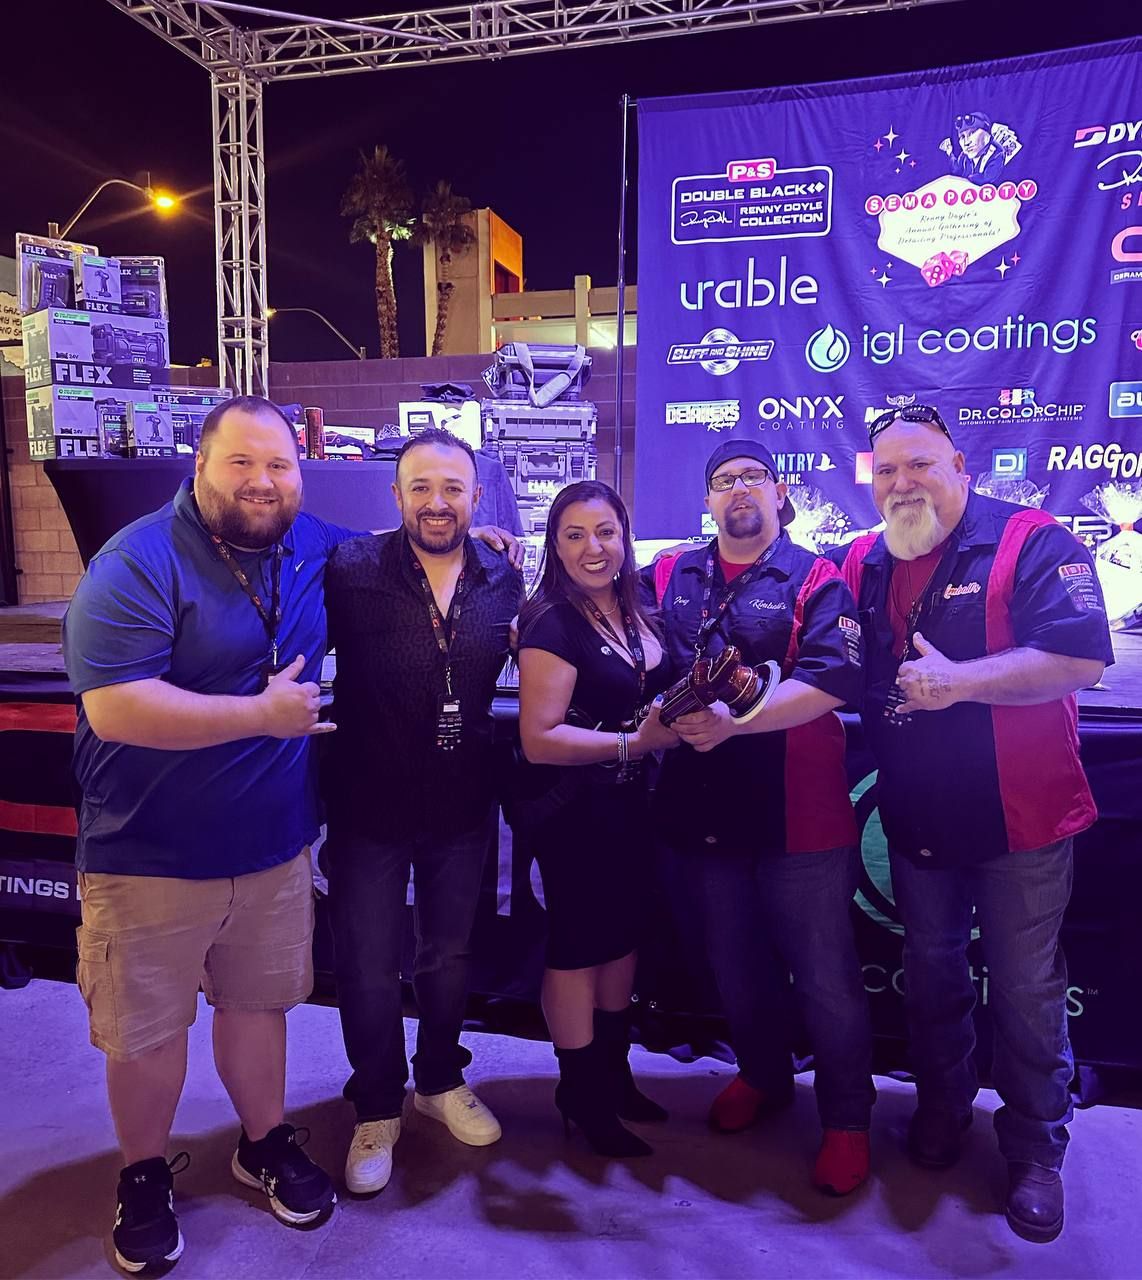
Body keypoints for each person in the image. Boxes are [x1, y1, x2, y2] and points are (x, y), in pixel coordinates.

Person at [63, 396, 350, 1273]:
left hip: (271, 847)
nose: (263, 482)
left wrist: (475, 544)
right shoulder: (137, 561)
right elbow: (114, 708)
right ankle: (143, 1175)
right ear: (198, 468)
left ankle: (262, 1142)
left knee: (260, 1006)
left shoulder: (315, 545)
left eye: (280, 466)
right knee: (147, 1031)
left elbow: (406, 553)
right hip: (149, 852)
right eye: (241, 463)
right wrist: (259, 715)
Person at [839, 404, 1113, 1243]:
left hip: (1022, 816)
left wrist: (961, 683)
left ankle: (1034, 1150)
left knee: (1029, 989)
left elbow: (1081, 657)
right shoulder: (860, 557)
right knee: (932, 975)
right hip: (917, 814)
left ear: (961, 465)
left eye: (918, 466)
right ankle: (944, 1108)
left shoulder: (1034, 541)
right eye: (885, 471)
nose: (900, 484)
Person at [651, 439, 875, 1195]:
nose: (737, 489)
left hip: (799, 812)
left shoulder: (817, 575)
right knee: (735, 967)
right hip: (702, 805)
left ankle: (847, 1118)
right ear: (708, 499)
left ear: (780, 493)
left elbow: (836, 681)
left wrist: (735, 724)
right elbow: (612, 620)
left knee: (825, 978)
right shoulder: (673, 570)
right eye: (722, 480)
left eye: (751, 477)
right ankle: (764, 1076)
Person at [322, 427, 524, 1196]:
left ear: (476, 496)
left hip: (462, 802)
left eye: (453, 488)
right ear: (397, 495)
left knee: (449, 958)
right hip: (367, 802)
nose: (437, 502)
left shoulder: (504, 576)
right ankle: (376, 1104)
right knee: (368, 966)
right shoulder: (348, 568)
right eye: (420, 487)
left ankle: (437, 1081)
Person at [515, 480, 679, 1157]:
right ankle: (580, 1092)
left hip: (635, 807)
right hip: (575, 812)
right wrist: (632, 744)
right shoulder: (551, 621)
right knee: (580, 949)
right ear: (555, 545)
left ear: (624, 536)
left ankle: (613, 1075)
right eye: (575, 535)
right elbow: (538, 737)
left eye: (605, 532)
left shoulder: (639, 605)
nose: (593, 547)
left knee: (622, 940)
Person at [946, 111, 1007, 184]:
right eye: (962, 137)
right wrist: (950, 154)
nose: (966, 143)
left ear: (987, 134)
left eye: (972, 133)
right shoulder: (964, 155)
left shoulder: (997, 153)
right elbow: (957, 170)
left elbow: (987, 179)